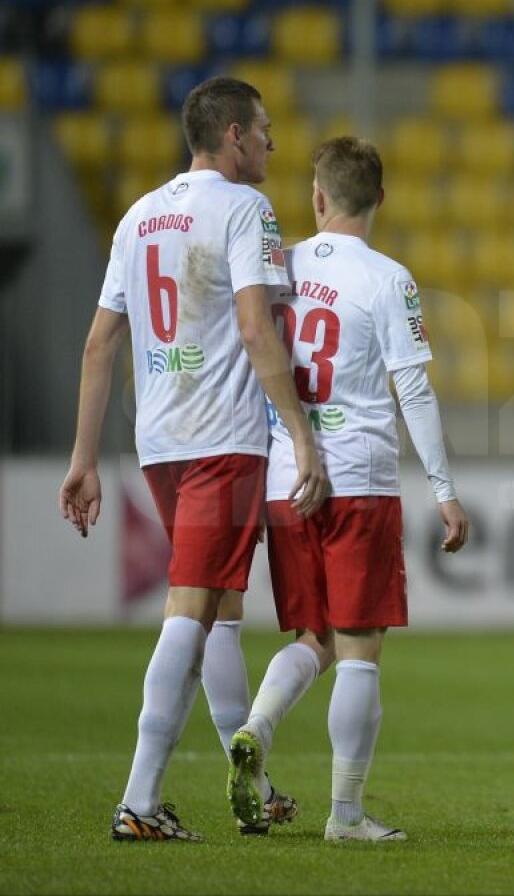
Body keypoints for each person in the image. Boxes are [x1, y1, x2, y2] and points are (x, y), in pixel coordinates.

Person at [58, 77, 331, 842]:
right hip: (224, 439)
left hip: (161, 443)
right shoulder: (246, 209)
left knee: (217, 610)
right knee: (192, 607)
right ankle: (140, 800)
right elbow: (255, 325)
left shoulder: (140, 214)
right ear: (235, 134)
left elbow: (98, 343)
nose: (274, 144)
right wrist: (301, 433)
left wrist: (84, 456)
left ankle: (257, 783)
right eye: (266, 130)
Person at [223, 136, 470, 843]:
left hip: (286, 472)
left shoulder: (281, 266)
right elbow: (413, 388)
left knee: (314, 634)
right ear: (381, 200)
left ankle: (257, 726)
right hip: (358, 475)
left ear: (318, 197)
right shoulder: (390, 278)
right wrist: (445, 491)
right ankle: (346, 814)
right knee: (359, 647)